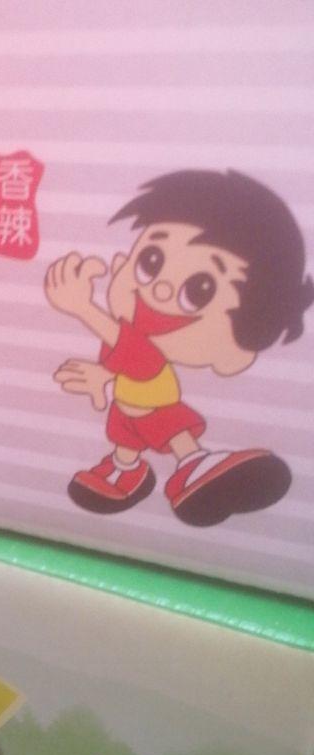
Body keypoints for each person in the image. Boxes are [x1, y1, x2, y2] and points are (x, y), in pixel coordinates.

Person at [45, 170, 311, 524]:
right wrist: (102, 377)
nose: (161, 290)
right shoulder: (128, 331)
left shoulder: (139, 346)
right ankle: (127, 472)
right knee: (125, 439)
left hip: (156, 403)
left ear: (239, 347)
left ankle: (196, 463)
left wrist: (83, 308)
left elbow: (136, 354)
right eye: (150, 261)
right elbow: (120, 354)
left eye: (199, 289)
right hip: (126, 403)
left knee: (174, 433)